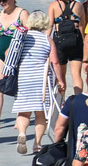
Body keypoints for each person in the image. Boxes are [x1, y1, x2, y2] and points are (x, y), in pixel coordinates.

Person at [13, 11, 60, 155]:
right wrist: (61, 79)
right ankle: (37, 144)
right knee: (40, 114)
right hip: (41, 81)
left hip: (23, 78)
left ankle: (22, 133)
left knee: (24, 111)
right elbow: (55, 62)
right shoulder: (47, 39)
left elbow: (10, 53)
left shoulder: (22, 37)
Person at [0, 0, 28, 128]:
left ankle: (20, 119)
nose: (1, 2)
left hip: (17, 56)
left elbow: (28, 35)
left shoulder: (22, 13)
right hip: (1, 56)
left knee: (18, 87)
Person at [48, 0, 86, 95]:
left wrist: (46, 42)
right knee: (76, 75)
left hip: (59, 41)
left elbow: (49, 26)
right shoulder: (78, 5)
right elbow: (82, 26)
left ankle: (60, 103)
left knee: (60, 76)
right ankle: (78, 101)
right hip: (75, 41)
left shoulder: (54, 6)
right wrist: (84, 43)